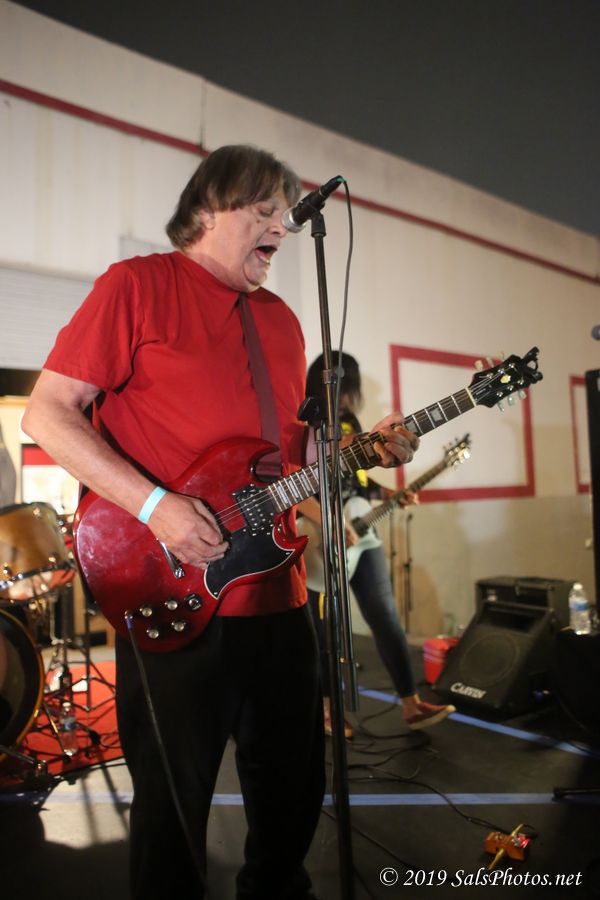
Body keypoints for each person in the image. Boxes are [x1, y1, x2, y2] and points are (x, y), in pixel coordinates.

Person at [22, 145, 420, 900]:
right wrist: (156, 507)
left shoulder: (283, 321)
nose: (282, 228)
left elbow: (290, 454)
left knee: (291, 803)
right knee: (172, 818)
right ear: (206, 210)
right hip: (172, 598)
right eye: (264, 211)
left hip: (280, 597)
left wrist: (362, 449)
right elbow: (48, 414)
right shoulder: (137, 285)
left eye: (285, 215)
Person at [297, 352, 455, 739]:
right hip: (319, 537)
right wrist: (329, 523)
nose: (347, 396)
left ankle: (411, 704)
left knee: (385, 616)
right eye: (344, 387)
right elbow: (291, 484)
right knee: (326, 631)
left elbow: (358, 482)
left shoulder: (350, 424)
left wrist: (390, 494)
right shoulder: (303, 423)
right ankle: (327, 709)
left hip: (360, 533)